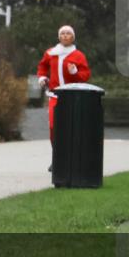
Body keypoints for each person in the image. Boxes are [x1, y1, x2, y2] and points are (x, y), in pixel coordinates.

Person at [36, 25, 91, 168]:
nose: (65, 36)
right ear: (59, 37)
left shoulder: (78, 55)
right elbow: (42, 66)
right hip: (55, 95)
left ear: (73, 37)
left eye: (68, 34)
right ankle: (57, 157)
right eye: (62, 33)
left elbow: (85, 76)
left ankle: (71, 158)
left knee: (70, 127)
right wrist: (42, 78)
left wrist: (74, 73)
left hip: (72, 96)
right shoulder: (51, 53)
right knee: (54, 127)